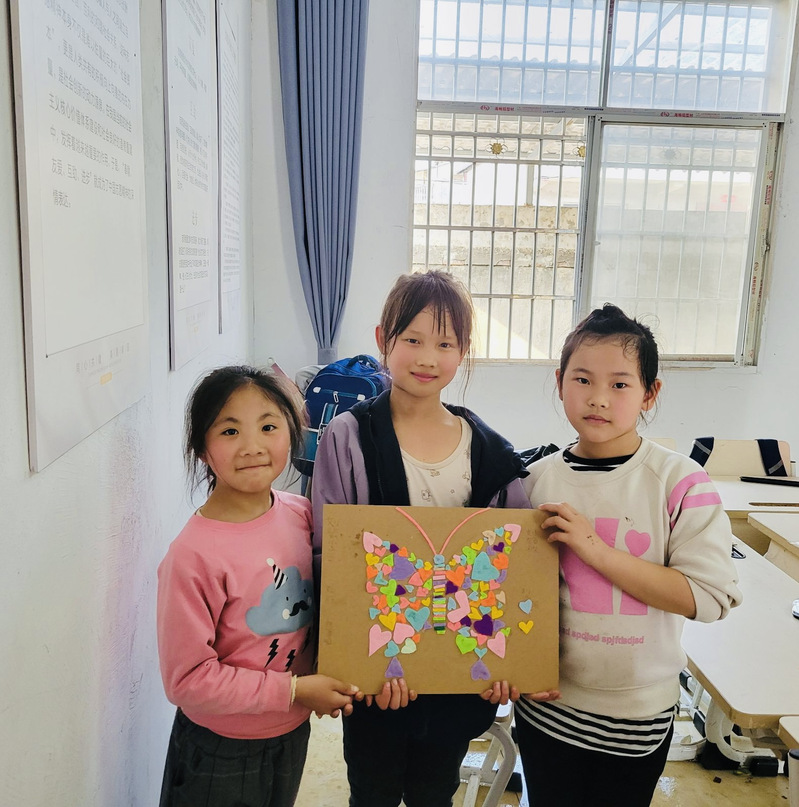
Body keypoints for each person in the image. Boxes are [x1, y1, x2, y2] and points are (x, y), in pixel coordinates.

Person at [312, 271, 559, 807]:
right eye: (413, 339)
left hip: (457, 676)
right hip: (376, 671)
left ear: (463, 352)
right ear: (384, 339)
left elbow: (516, 568)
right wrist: (346, 663)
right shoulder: (348, 437)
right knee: (372, 793)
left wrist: (508, 667)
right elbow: (330, 553)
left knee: (435, 791)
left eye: (446, 344)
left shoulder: (489, 451)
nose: (428, 357)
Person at [515, 304, 743, 807]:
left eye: (620, 384)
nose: (598, 398)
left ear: (649, 393)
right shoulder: (534, 482)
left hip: (636, 718)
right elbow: (511, 594)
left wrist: (594, 549)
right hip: (545, 709)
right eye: (582, 379)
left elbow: (707, 598)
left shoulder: (680, 481)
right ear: (559, 383)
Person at [157, 366, 360, 807]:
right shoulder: (192, 555)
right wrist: (294, 690)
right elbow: (185, 680)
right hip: (220, 747)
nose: (252, 446)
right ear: (201, 448)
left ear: (292, 435)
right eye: (230, 431)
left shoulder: (301, 513)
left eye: (268, 427)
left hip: (290, 730)